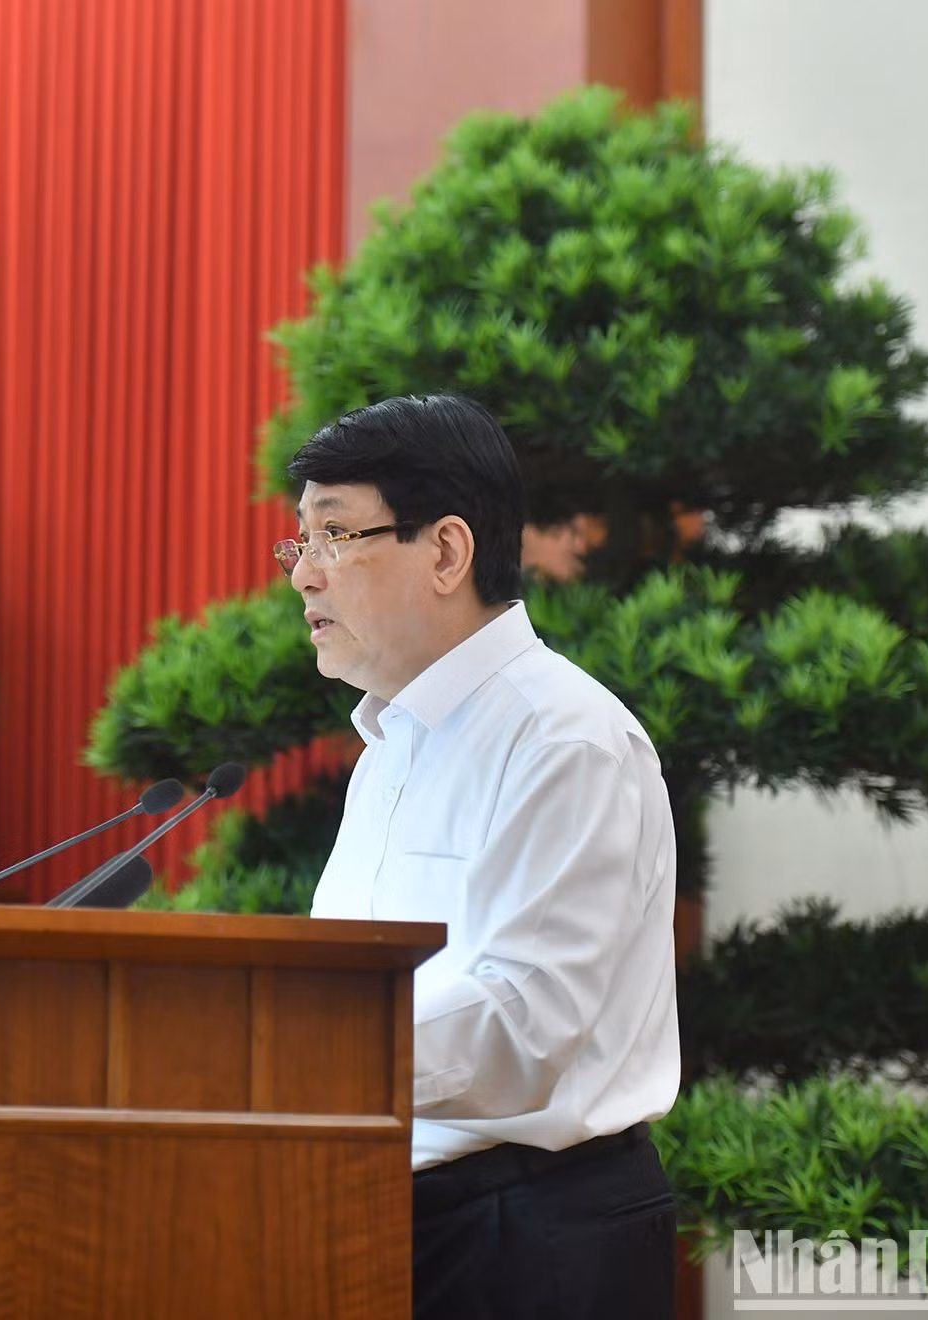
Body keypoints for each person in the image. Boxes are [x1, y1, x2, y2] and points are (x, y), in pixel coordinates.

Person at [279, 394, 680, 1318]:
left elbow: (525, 1022)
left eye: (335, 535)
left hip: (533, 1233)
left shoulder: (562, 739)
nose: (303, 574)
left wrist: (298, 1044)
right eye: (299, 541)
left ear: (447, 553)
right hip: (388, 1212)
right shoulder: (389, 749)